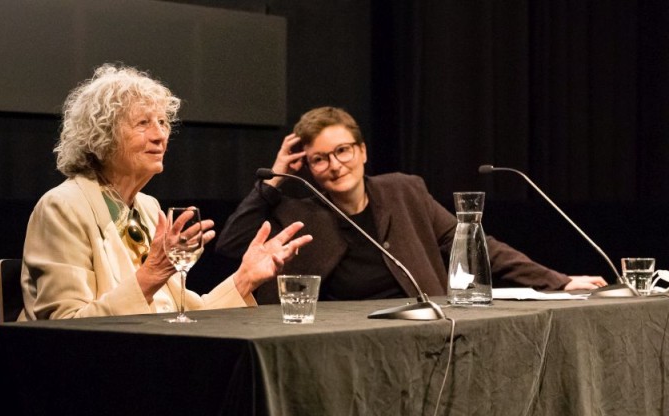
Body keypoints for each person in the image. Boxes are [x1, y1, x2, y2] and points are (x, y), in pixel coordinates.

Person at [215, 106, 606, 304]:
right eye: (320, 159)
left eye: (343, 151)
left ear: (362, 151)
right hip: (342, 343)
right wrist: (274, 178)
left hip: (422, 329)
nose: (335, 165)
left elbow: (476, 245)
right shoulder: (298, 212)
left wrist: (559, 281)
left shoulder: (404, 192)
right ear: (308, 167)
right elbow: (232, 244)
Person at [20, 64, 311, 320]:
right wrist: (152, 274)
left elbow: (184, 314)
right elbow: (64, 324)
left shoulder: (146, 208)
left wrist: (245, 278)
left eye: (162, 123)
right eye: (143, 123)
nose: (160, 135)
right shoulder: (63, 206)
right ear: (102, 135)